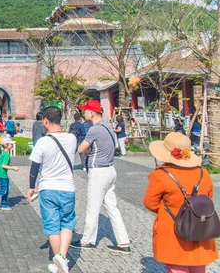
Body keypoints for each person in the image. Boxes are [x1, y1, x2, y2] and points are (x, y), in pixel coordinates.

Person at [143, 132, 218, 273]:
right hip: (200, 227)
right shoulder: (203, 173)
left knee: (176, 266)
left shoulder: (161, 175)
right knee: (199, 266)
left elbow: (150, 203)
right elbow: (209, 197)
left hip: (173, 228)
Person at [72, 99, 131, 254]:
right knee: (112, 206)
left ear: (92, 113)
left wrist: (88, 149)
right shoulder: (108, 127)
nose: (83, 113)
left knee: (93, 206)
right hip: (110, 169)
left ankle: (87, 240)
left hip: (98, 171)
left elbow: (81, 148)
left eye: (85, 110)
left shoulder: (94, 130)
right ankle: (123, 242)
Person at [27, 106, 77, 273]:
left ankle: (59, 262)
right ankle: (62, 257)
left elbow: (34, 168)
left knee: (52, 227)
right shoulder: (72, 139)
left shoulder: (43, 142)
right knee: (67, 223)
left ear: (45, 121)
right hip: (68, 188)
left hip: (47, 188)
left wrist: (31, 187)